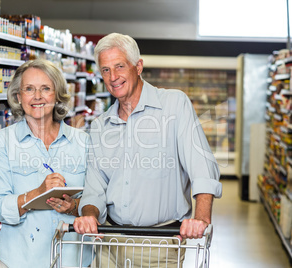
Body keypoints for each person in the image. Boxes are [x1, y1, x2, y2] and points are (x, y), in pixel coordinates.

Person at [73, 33, 223, 267]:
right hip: (109, 243)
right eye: (105, 70)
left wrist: (201, 218)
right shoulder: (101, 125)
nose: (113, 77)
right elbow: (95, 185)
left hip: (159, 245)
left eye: (120, 66)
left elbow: (201, 167)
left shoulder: (174, 105)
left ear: (138, 66)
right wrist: (89, 216)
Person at [0, 59, 92, 267]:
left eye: (45, 88)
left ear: (57, 95)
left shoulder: (83, 142)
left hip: (72, 259)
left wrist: (73, 207)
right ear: (18, 96)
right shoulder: (3, 141)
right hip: (19, 259)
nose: (37, 96)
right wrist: (38, 193)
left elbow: (97, 202)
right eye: (29, 89)